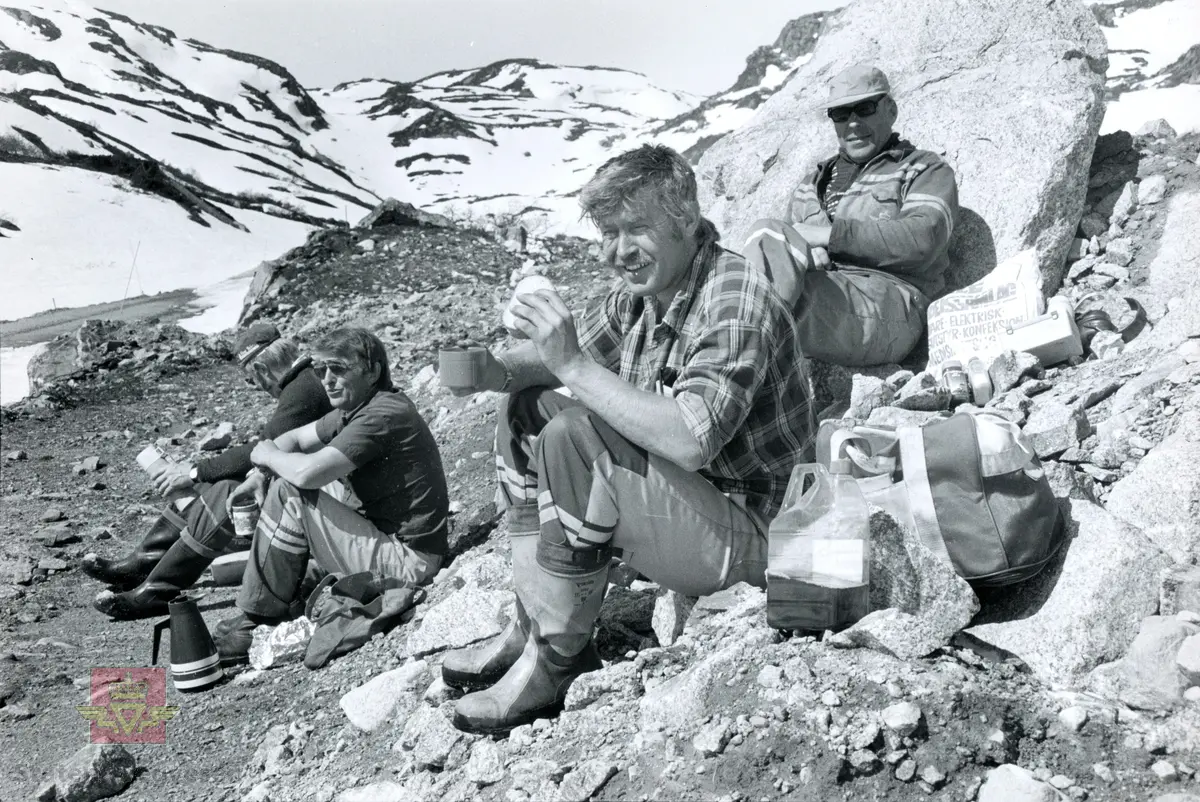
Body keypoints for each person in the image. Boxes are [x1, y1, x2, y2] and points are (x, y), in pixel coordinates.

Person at [439, 144, 813, 735]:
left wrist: (575, 370)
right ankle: (531, 626)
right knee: (526, 409)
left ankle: (557, 662)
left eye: (635, 228)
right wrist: (497, 369)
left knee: (576, 435)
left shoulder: (735, 301)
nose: (618, 251)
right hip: (692, 504)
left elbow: (691, 440)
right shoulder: (648, 289)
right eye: (608, 232)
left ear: (686, 220)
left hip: (756, 535)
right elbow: (563, 355)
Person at [212, 327, 450, 665]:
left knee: (291, 491)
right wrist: (260, 472)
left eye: (338, 369)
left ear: (373, 370)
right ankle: (270, 597)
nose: (327, 380)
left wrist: (266, 458)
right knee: (292, 480)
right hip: (390, 539)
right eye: (321, 370)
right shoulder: (354, 409)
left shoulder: (382, 415)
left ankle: (258, 617)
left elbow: (305, 473)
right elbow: (294, 440)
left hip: (409, 561)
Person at [85, 324, 332, 619]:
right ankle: (142, 566)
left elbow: (263, 448)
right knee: (213, 487)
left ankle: (157, 591)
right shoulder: (304, 384)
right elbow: (266, 447)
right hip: (320, 486)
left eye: (252, 378)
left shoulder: (302, 392)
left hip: (321, 501)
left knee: (224, 494)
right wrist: (198, 474)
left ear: (263, 369)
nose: (257, 386)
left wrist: (192, 472)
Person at [742, 64, 960, 367]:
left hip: (891, 304)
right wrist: (809, 252)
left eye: (865, 109)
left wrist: (827, 237)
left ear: (891, 110)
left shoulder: (924, 169)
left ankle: (720, 368)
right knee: (762, 242)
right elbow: (787, 248)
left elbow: (923, 239)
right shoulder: (810, 185)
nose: (853, 123)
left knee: (763, 310)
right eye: (842, 114)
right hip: (824, 292)